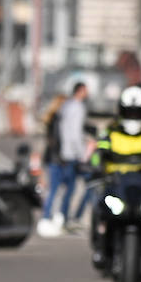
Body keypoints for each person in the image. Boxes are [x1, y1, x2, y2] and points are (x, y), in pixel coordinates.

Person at [88, 83, 141, 267]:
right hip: (117, 184)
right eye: (129, 112)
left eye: (137, 112)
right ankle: (101, 247)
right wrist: (94, 167)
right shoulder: (111, 131)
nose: (133, 117)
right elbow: (98, 155)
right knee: (100, 209)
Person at [41, 82, 90, 231]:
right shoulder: (77, 108)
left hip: (61, 155)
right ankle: (65, 217)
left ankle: (55, 217)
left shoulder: (63, 110)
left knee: (58, 189)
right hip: (69, 155)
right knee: (71, 188)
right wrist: (82, 154)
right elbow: (74, 134)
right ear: (80, 91)